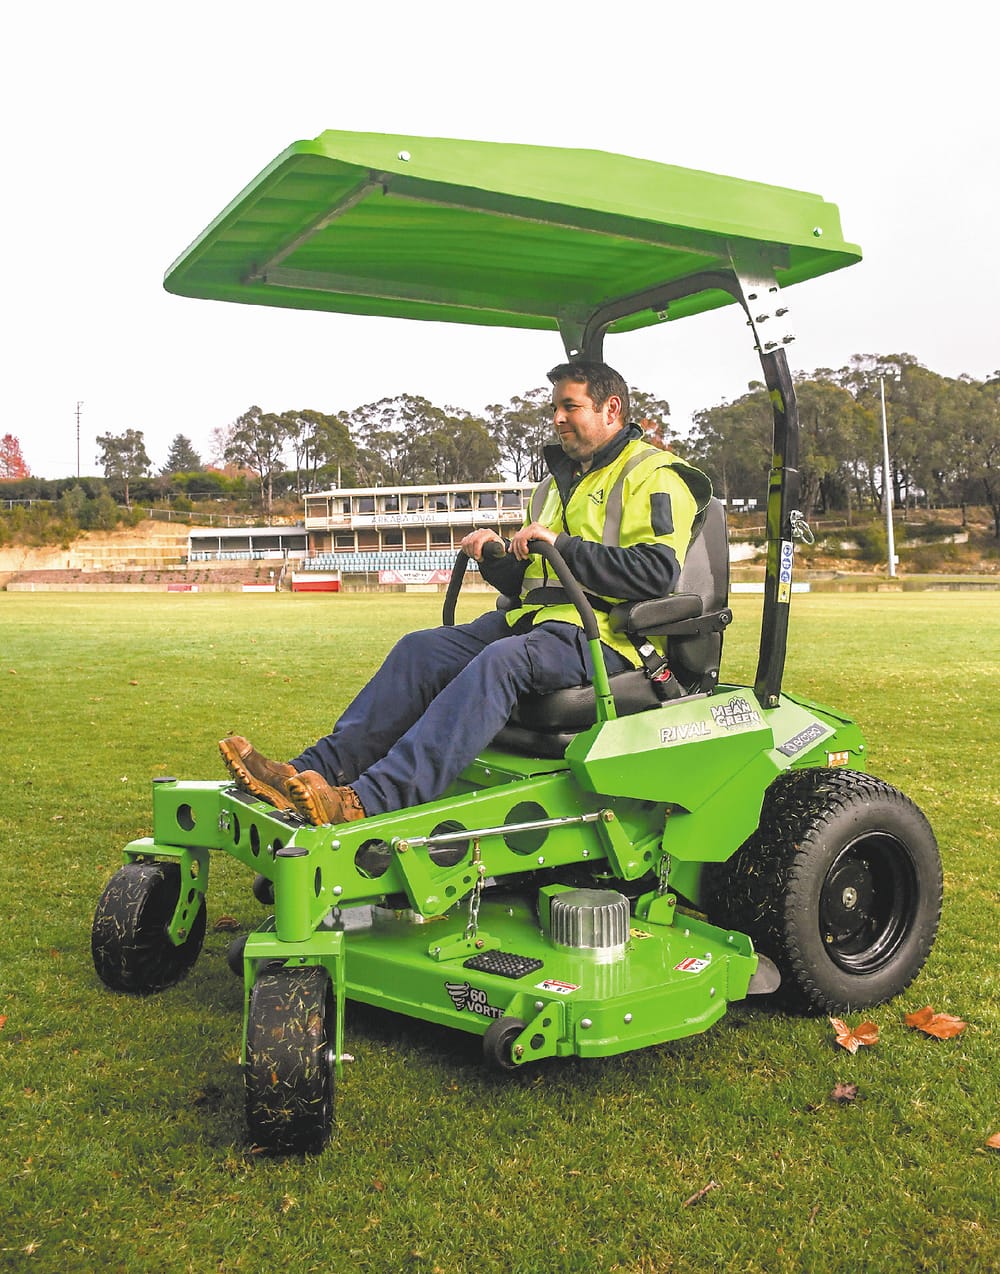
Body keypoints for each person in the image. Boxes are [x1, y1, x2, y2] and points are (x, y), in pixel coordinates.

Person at [220, 360, 711, 826]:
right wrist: (497, 557)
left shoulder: (654, 475)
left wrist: (559, 543)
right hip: (542, 624)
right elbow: (533, 583)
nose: (557, 418)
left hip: (608, 639)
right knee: (421, 649)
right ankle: (309, 772)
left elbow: (654, 574)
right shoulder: (555, 485)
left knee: (503, 661)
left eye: (570, 406)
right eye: (554, 408)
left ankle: (368, 801)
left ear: (612, 410)